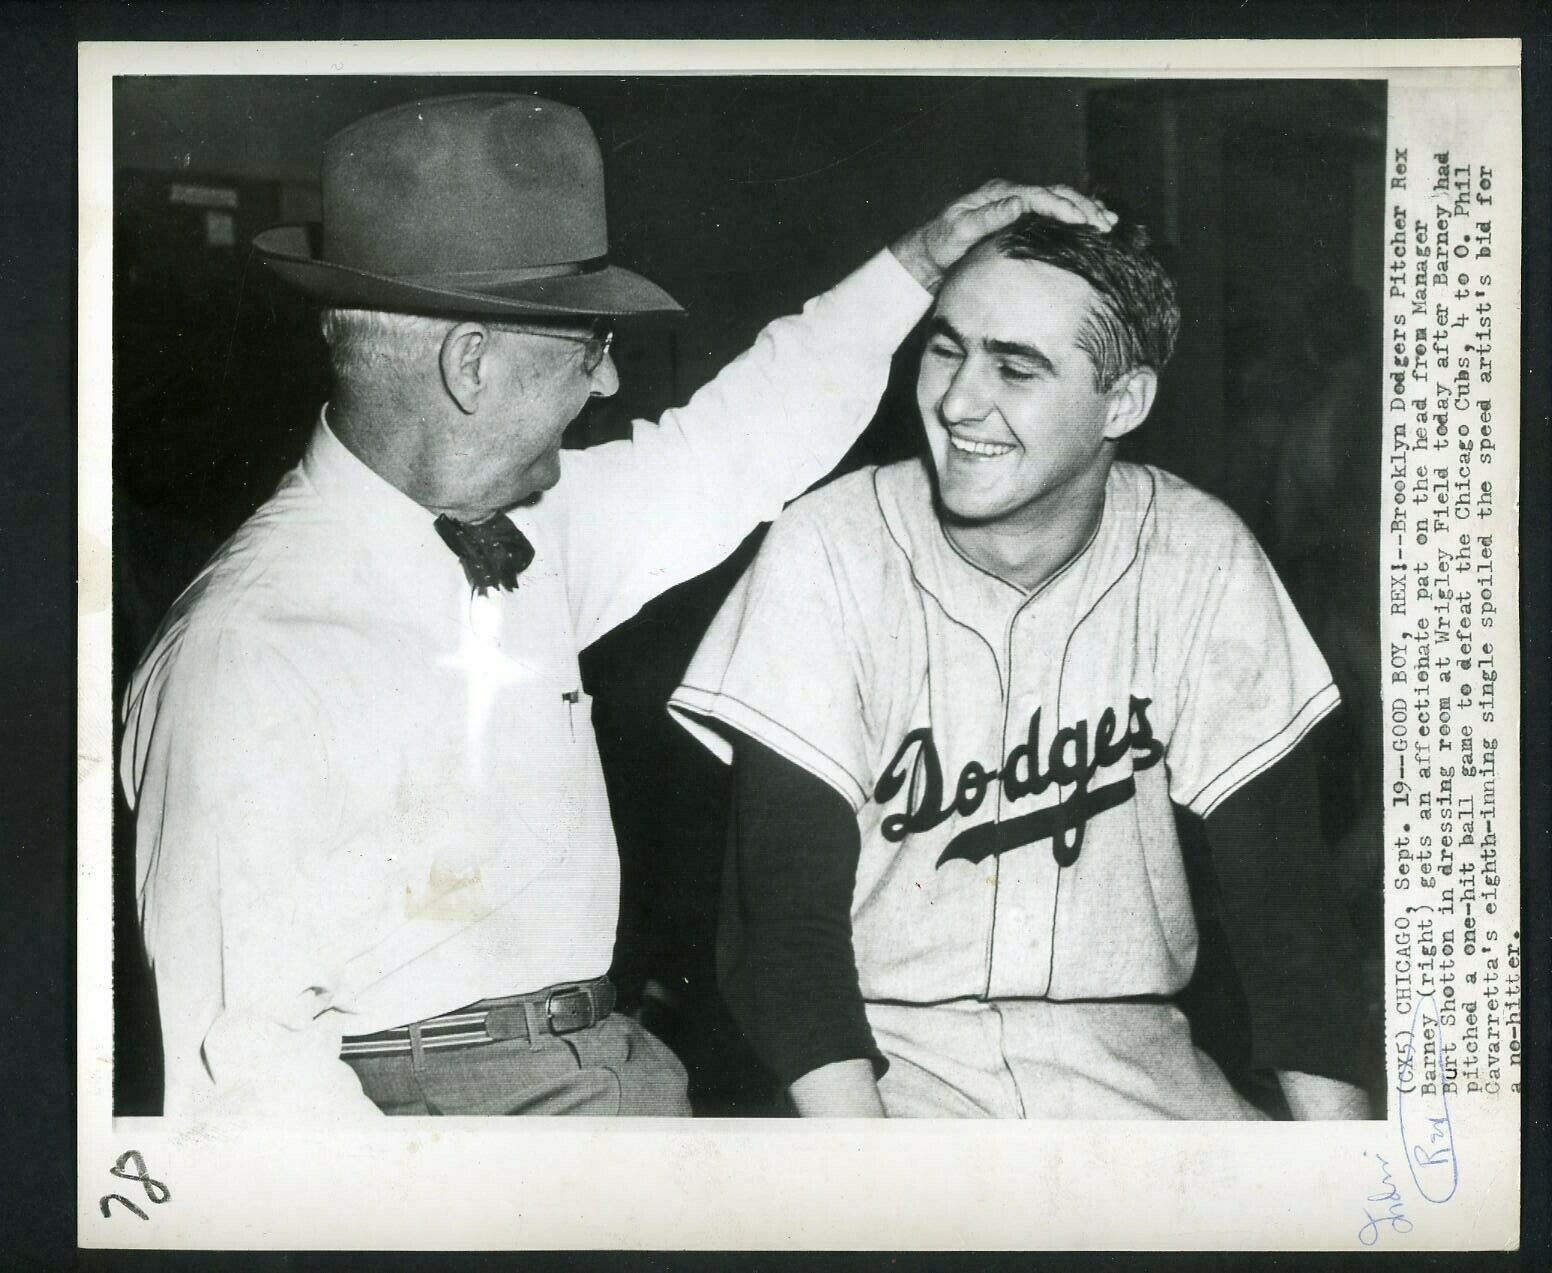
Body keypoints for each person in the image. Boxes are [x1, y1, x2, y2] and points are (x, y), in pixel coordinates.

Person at [119, 91, 1115, 1118]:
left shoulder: (531, 528)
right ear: (472, 365)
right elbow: (246, 1081)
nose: (607, 384)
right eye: (590, 347)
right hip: (445, 1141)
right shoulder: (246, 651)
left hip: (610, 1074)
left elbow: (727, 451)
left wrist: (911, 268)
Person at [670, 211, 1376, 1119]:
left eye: (1015, 366)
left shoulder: (1202, 553)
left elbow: (1292, 926)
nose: (959, 401)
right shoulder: (830, 546)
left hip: (1136, 1061)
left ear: (1122, 402)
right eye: (945, 349)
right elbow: (785, 934)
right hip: (884, 1065)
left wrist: (1356, 1199)